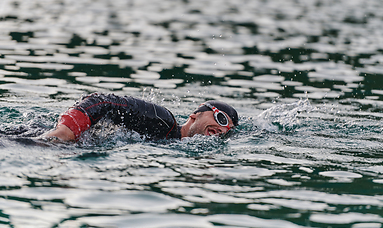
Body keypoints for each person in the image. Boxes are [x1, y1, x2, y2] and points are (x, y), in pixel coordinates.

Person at [45, 93, 238, 142]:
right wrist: (68, 130)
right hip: (59, 139)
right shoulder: (164, 122)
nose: (222, 130)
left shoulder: (173, 144)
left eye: (227, 130)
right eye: (221, 119)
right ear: (195, 115)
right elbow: (104, 101)